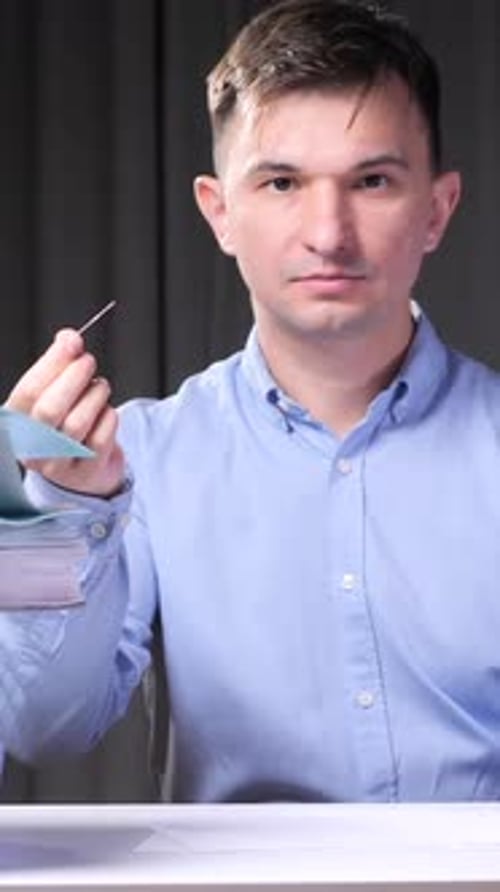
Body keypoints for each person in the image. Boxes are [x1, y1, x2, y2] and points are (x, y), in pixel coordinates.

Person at [0, 0, 498, 803]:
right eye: (281, 183)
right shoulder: (140, 458)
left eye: (371, 181)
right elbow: (39, 729)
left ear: (436, 211)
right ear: (220, 212)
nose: (328, 233)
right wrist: (44, 514)